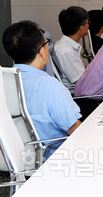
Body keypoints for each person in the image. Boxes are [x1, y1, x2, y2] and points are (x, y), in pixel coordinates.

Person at [2, 21, 81, 159]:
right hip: (55, 159)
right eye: (46, 44)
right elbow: (76, 129)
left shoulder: (4, 81)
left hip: (17, 160)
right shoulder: (49, 86)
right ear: (41, 51)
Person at [53, 6, 89, 93]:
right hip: (79, 98)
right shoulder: (66, 51)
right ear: (81, 27)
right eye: (87, 23)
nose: (89, 25)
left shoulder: (65, 45)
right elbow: (83, 83)